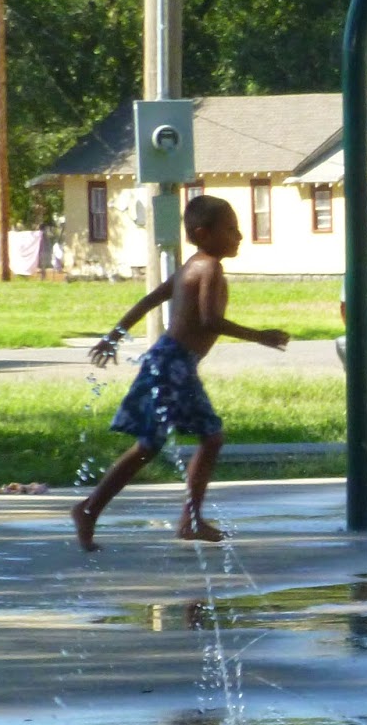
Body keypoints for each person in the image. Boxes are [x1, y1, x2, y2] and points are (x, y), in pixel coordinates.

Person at [71, 195, 288, 552]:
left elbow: (147, 301)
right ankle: (186, 520)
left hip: (168, 361)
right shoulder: (208, 268)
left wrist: (114, 336)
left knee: (151, 445)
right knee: (209, 437)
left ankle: (91, 509)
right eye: (231, 229)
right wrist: (260, 336)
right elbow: (208, 320)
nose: (240, 236)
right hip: (173, 362)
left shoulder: (191, 266)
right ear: (203, 233)